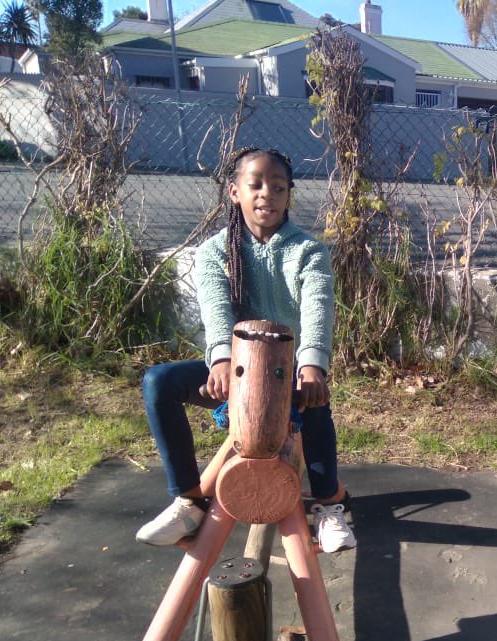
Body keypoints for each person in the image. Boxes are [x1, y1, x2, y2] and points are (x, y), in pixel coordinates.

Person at [135, 147, 355, 554]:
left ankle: (327, 506)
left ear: (290, 195)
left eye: (277, 187)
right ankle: (189, 500)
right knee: (158, 382)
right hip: (234, 370)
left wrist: (312, 365)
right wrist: (220, 357)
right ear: (235, 192)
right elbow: (215, 307)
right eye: (255, 185)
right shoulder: (215, 251)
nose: (265, 195)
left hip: (286, 374)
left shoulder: (309, 251)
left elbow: (317, 308)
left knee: (315, 403)